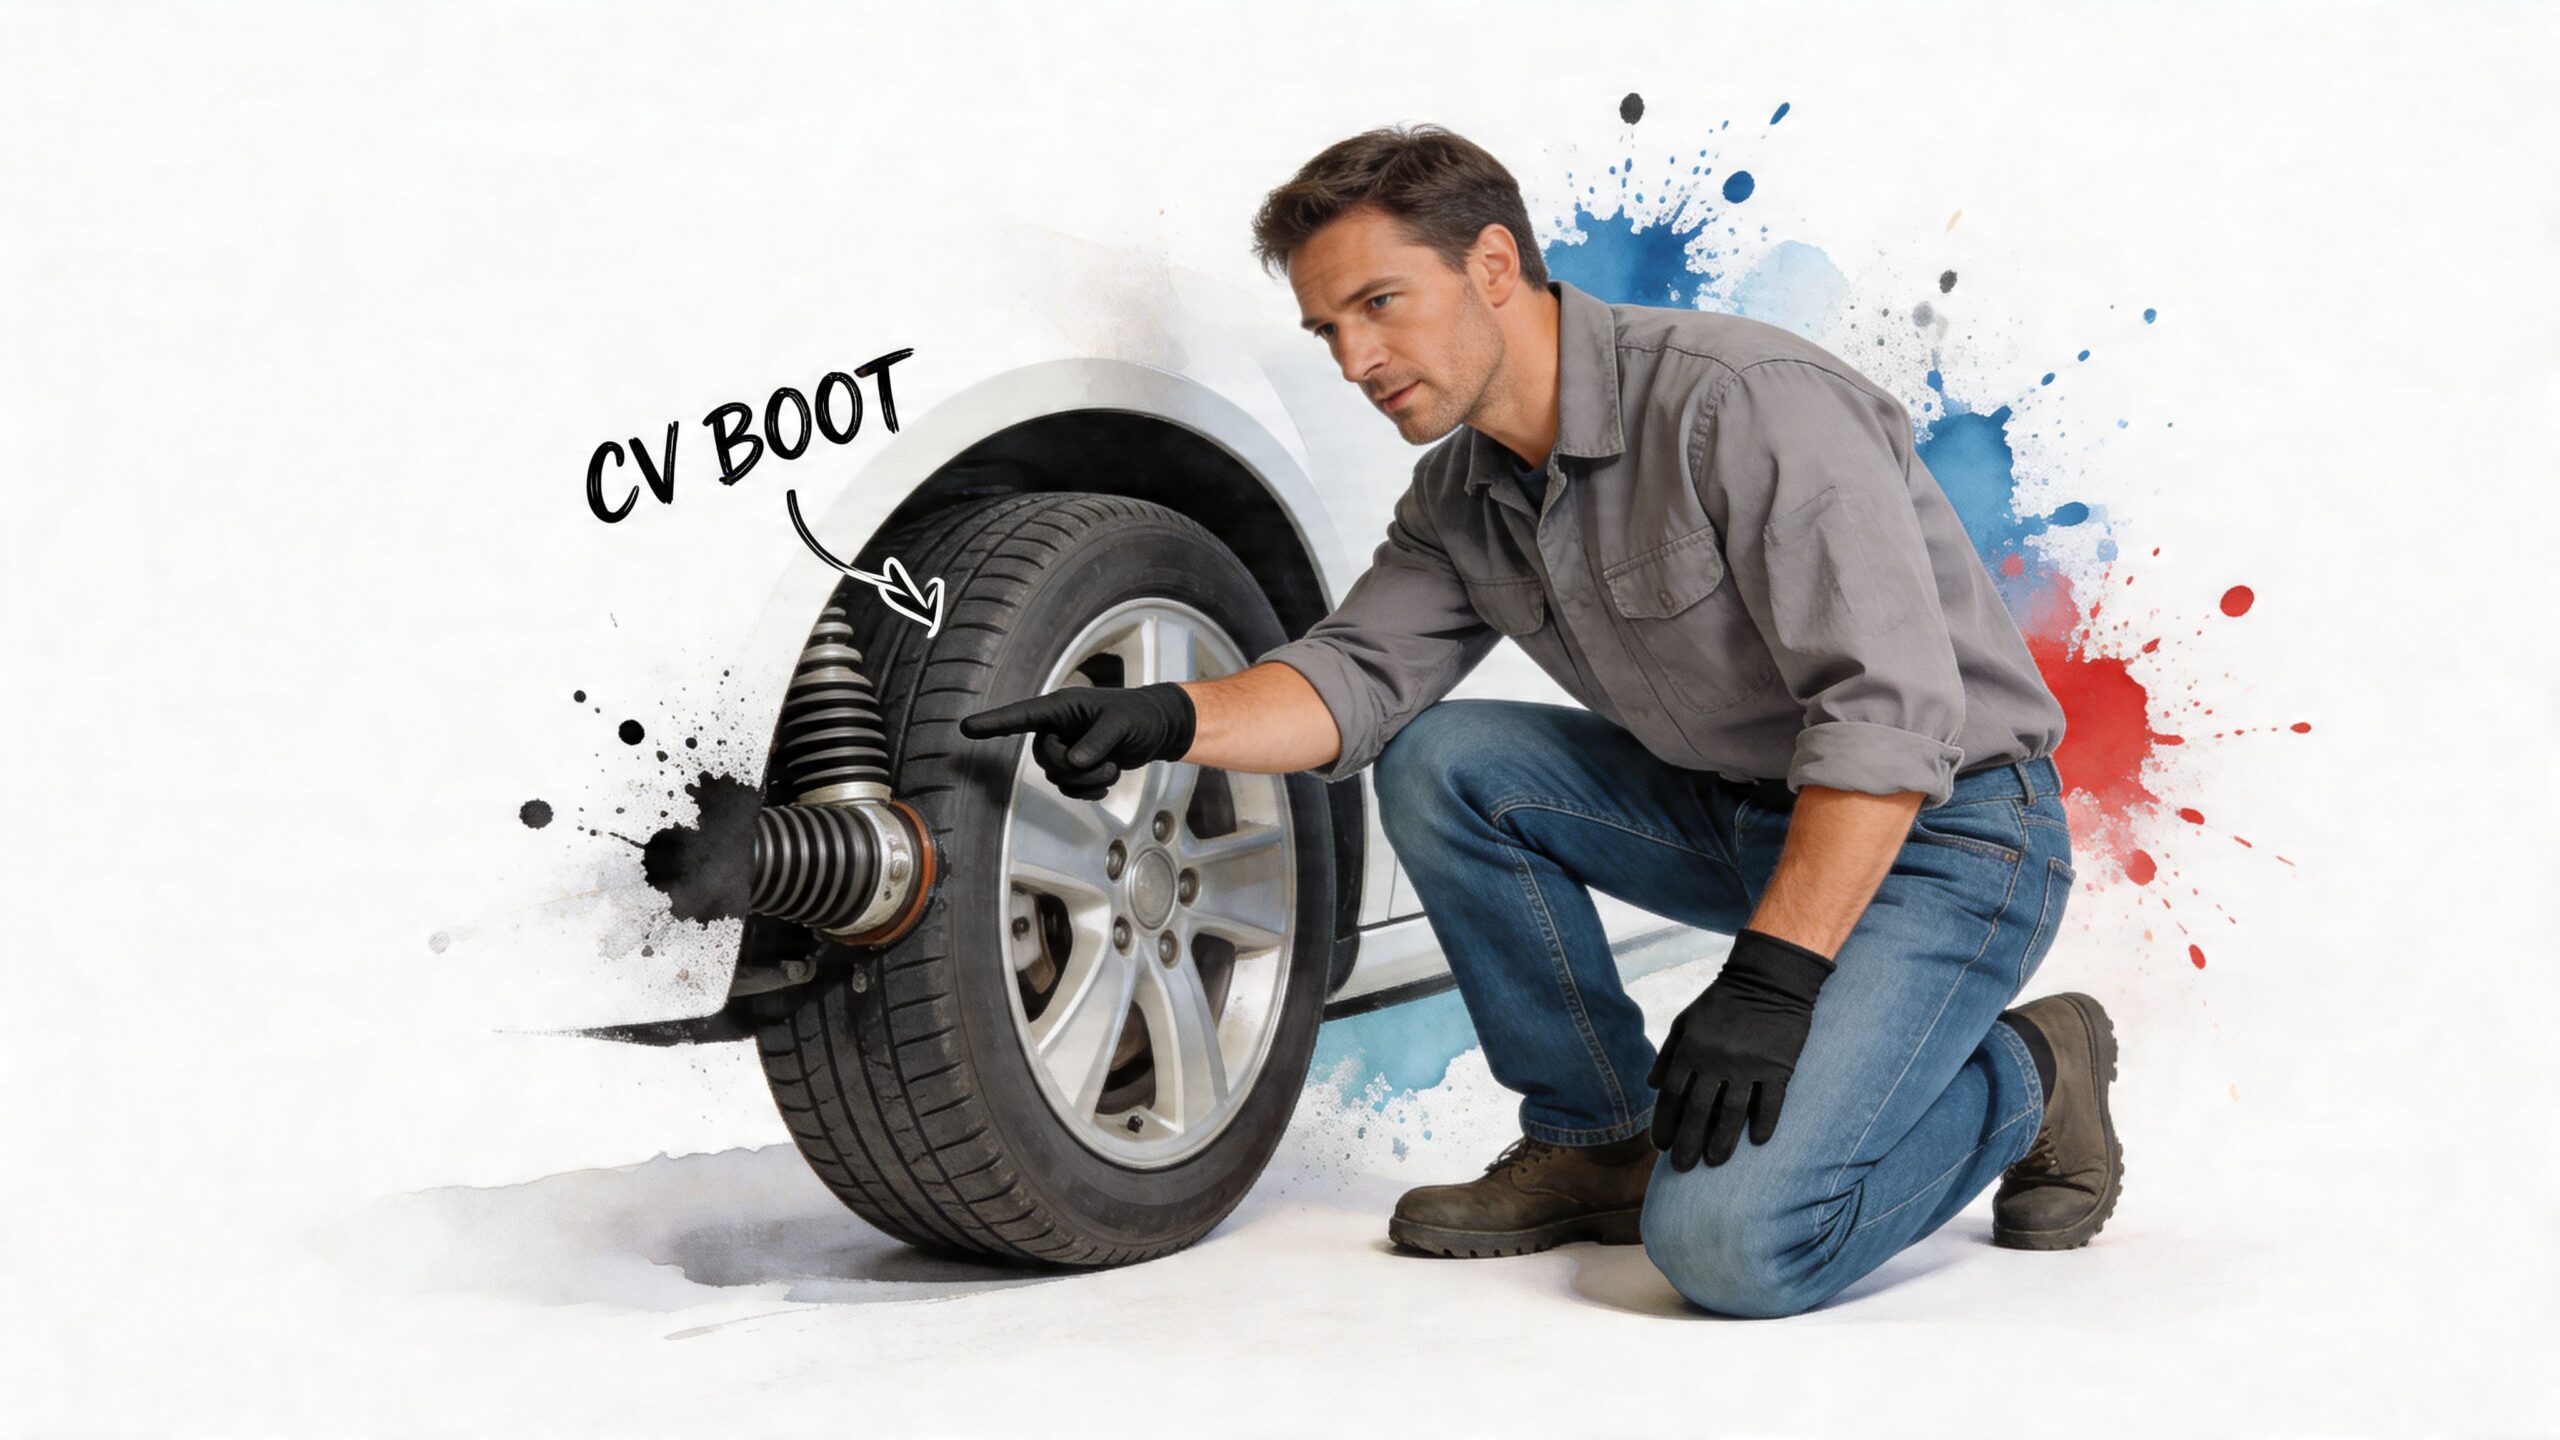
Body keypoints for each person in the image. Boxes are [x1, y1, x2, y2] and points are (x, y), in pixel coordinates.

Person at [958, 124, 2123, 1317]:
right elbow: (1350, 680)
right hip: (1735, 817)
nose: (1356, 358)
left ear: (1496, 264)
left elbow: (1886, 716)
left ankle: (2034, 1069)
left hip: (1949, 837)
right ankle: (1594, 1136)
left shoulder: (1748, 404)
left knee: (1731, 1247)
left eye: (1379, 303)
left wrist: (1771, 982)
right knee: (1447, 759)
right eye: (1328, 329)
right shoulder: (1461, 498)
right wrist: (1161, 714)